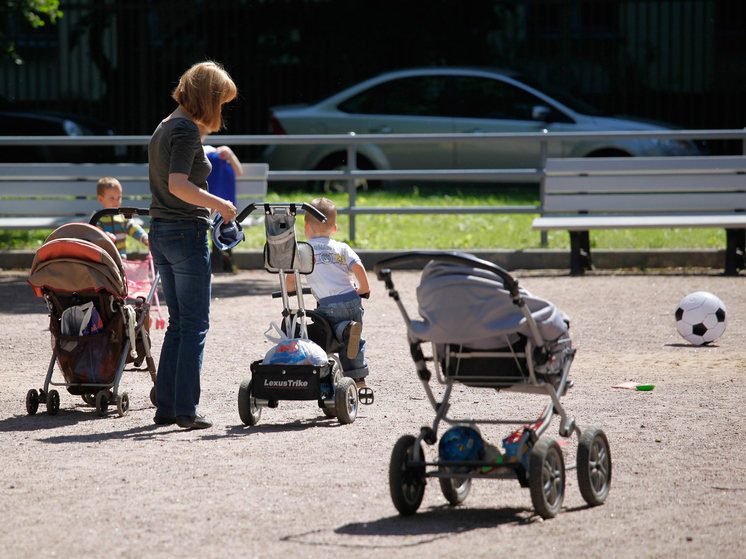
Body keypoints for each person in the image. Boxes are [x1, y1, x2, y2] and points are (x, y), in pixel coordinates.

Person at [148, 61, 238, 430]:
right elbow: (178, 185)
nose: (222, 110)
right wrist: (219, 204)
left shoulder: (164, 125)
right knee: (195, 323)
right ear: (209, 98)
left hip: (161, 232)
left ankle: (167, 407)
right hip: (185, 232)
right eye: (222, 102)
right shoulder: (185, 129)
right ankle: (187, 409)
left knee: (178, 323)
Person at [287, 197, 370, 387]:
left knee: (330, 333)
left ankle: (343, 330)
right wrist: (364, 288)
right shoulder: (342, 247)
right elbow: (358, 266)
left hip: (329, 304)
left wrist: (291, 289)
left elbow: (291, 277)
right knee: (354, 343)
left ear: (306, 227)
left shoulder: (303, 250)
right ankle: (358, 379)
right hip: (352, 299)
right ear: (334, 229)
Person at [198, 123, 243, 272]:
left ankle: (222, 263)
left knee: (221, 223)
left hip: (218, 206)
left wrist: (229, 153)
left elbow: (239, 171)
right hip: (205, 207)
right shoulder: (195, 152)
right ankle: (222, 263)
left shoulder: (214, 151)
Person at [94, 177, 149, 258]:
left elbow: (133, 228)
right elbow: (96, 232)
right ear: (101, 199)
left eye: (119, 198)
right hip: (104, 260)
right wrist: (106, 236)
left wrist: (144, 238)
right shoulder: (98, 216)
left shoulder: (122, 218)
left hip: (121, 259)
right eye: (112, 198)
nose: (116, 201)